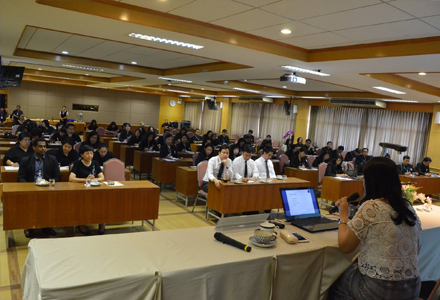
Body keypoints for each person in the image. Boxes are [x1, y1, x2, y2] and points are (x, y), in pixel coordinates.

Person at [328, 157, 421, 300]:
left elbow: (345, 246)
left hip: (380, 290)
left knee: (333, 280)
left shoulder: (372, 207)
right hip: (412, 288)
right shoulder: (408, 208)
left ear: (371, 180)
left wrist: (343, 216)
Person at [17, 138, 60, 238]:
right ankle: (29, 227)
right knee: (30, 205)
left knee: (49, 205)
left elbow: (57, 176)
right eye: (40, 146)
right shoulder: (25, 160)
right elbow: (20, 178)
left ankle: (47, 226)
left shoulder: (52, 159)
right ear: (34, 147)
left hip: (47, 188)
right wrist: (30, 186)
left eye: (44, 146)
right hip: (31, 188)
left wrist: (49, 184)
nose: (43, 149)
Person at [69, 145, 105, 235]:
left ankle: (101, 223)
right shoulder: (77, 163)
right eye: (87, 154)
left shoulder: (95, 163)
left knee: (101, 202)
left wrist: (94, 179)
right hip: (81, 190)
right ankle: (81, 224)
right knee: (82, 204)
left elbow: (102, 177)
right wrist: (86, 180)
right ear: (81, 155)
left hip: (94, 188)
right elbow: (71, 178)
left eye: (91, 153)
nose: (90, 156)